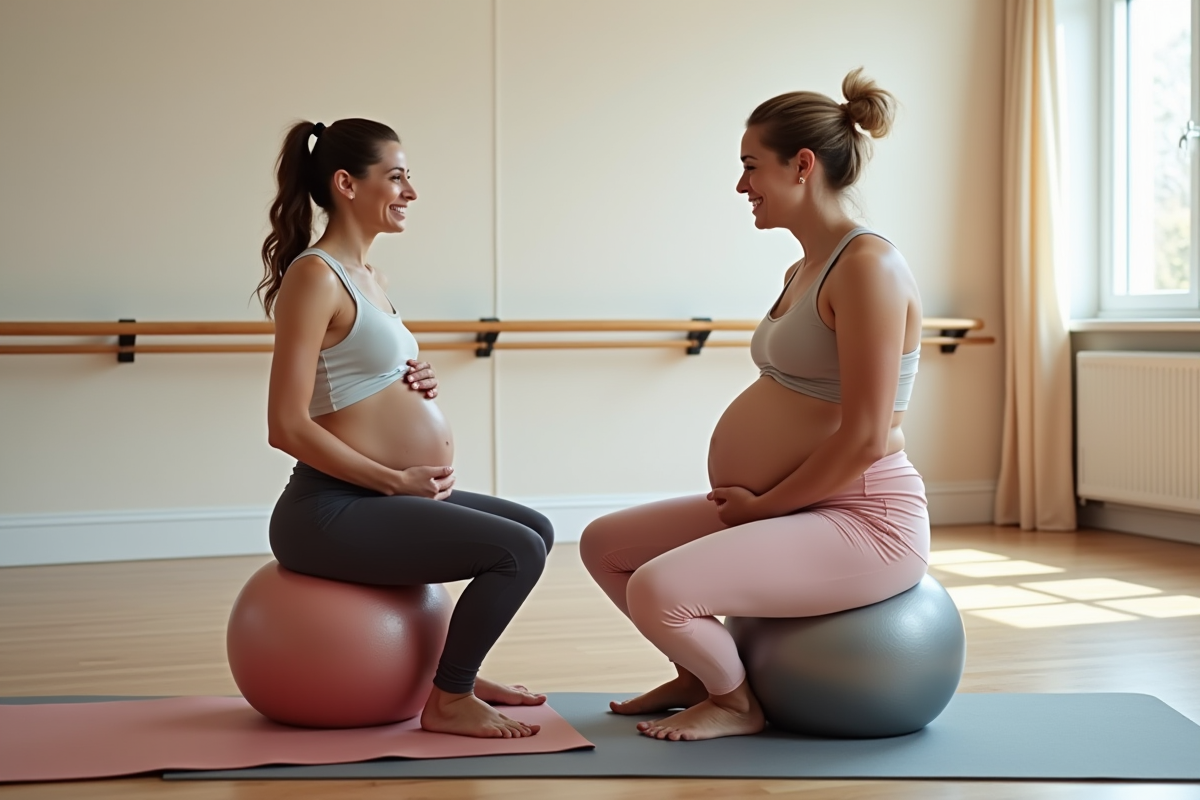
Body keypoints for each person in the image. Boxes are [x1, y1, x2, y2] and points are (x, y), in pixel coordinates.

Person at [579, 69, 928, 742]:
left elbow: (866, 436)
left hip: (863, 517)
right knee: (605, 546)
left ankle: (737, 701)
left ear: (802, 166)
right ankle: (697, 672)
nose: (742, 187)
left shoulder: (868, 268)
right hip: (800, 505)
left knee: (656, 588)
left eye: (750, 167)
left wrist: (764, 509)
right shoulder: (802, 269)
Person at [258, 118, 552, 739]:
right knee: (516, 551)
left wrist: (411, 380)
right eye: (396, 177)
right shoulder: (314, 276)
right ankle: (449, 699)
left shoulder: (372, 280)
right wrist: (394, 480)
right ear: (346, 183)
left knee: (536, 529)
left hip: (375, 495)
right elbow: (285, 425)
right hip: (329, 508)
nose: (410, 191)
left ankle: (458, 673)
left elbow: (350, 378)